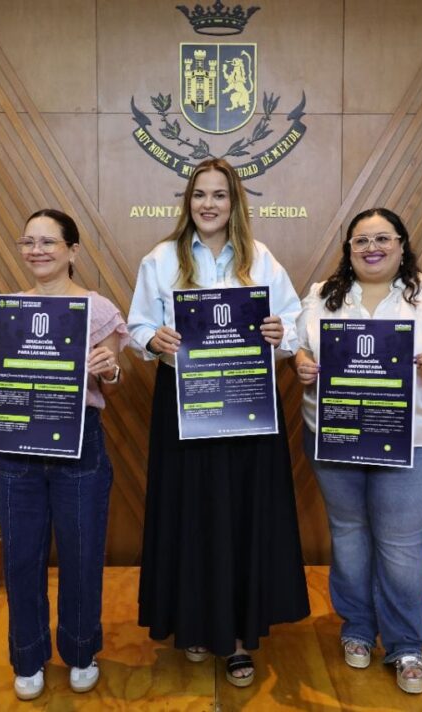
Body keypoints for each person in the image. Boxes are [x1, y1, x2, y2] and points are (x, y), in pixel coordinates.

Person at [127, 158, 310, 688]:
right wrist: (150, 339)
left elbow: (294, 320)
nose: (209, 204)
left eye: (220, 195)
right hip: (184, 403)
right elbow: (138, 323)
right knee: (191, 513)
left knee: (241, 513)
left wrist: (282, 332)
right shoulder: (160, 259)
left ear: (235, 203)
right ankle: (193, 625)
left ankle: (235, 639)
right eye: (200, 195)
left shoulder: (261, 258)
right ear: (188, 202)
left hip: (249, 402)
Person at [294, 207, 422, 695]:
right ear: (348, 248)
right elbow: (299, 348)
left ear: (401, 243)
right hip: (335, 435)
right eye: (360, 241)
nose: (371, 247)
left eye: (382, 238)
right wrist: (304, 364)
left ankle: (407, 644)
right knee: (349, 535)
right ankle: (356, 628)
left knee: (399, 546)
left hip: (414, 440)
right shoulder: (321, 296)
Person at [0, 209, 127, 700]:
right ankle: (28, 657)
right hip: (16, 446)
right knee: (21, 557)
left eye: (48, 242)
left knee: (82, 553)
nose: (36, 251)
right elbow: (8, 376)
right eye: (28, 242)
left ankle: (81, 651)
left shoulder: (97, 309)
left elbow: (113, 378)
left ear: (72, 251)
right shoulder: (5, 309)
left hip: (79, 442)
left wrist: (111, 370)